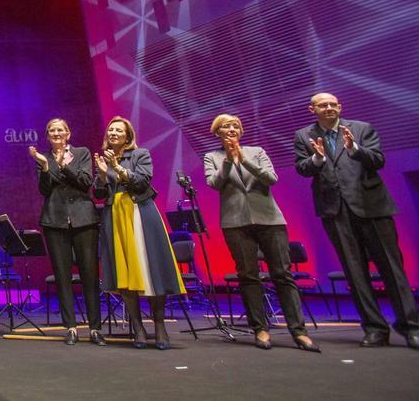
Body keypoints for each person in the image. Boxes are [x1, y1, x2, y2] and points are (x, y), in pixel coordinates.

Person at [293, 93, 419, 349]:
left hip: (372, 206)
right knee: (355, 272)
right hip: (335, 210)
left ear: (339, 107)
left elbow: (378, 160)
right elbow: (302, 168)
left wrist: (355, 150)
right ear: (312, 109)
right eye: (323, 105)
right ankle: (374, 328)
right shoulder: (303, 136)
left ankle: (411, 327)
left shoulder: (361, 129)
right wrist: (316, 158)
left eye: (333, 104)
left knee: (392, 270)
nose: (329, 108)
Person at [205, 113, 319, 352]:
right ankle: (260, 328)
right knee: (248, 276)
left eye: (235, 125)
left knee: (282, 274)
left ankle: (299, 331)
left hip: (269, 219)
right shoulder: (212, 156)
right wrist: (228, 160)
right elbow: (214, 184)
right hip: (235, 222)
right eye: (226, 127)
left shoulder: (256, 152)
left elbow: (270, 178)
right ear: (218, 133)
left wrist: (243, 158)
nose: (232, 129)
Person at [95, 116, 184, 350]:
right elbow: (99, 192)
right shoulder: (104, 158)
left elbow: (142, 182)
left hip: (140, 213)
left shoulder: (140, 154)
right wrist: (104, 174)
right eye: (110, 130)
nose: (113, 133)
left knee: (150, 267)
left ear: (127, 136)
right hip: (115, 216)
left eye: (118, 130)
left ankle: (159, 325)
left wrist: (117, 168)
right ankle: (138, 327)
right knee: (124, 272)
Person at [29, 118, 105, 346]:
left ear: (68, 133)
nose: (56, 132)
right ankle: (70, 327)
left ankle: (94, 328)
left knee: (89, 275)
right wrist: (45, 166)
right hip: (55, 221)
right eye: (51, 130)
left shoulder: (81, 153)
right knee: (62, 276)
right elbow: (45, 189)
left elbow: (85, 182)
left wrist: (63, 165)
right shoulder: (43, 158)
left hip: (84, 219)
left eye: (60, 129)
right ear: (47, 135)